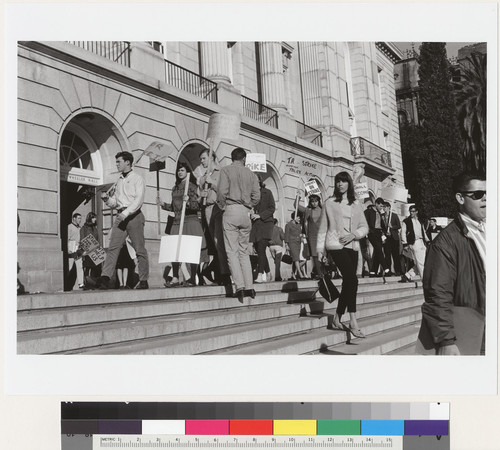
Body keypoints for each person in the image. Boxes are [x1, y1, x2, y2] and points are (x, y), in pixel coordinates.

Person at [417, 171, 486, 355]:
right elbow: (437, 294)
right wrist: (446, 340)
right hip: (474, 334)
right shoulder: (445, 243)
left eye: (488, 193)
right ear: (460, 198)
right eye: (478, 194)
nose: (485, 199)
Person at [317, 171, 369, 338]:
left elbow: (364, 226)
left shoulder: (356, 204)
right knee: (352, 279)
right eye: (338, 181)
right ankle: (353, 320)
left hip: (352, 246)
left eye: (343, 181)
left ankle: (337, 318)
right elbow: (323, 228)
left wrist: (354, 235)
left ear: (349, 184)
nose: (340, 184)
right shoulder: (329, 203)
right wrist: (320, 250)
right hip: (335, 245)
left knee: (349, 282)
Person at [97, 151, 149, 290]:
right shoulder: (119, 180)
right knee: (113, 247)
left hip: (134, 216)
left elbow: (138, 200)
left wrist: (125, 213)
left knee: (139, 249)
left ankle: (143, 280)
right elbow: (117, 202)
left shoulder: (138, 179)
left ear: (127, 162)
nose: (116, 164)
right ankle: (105, 278)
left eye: (119, 161)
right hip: (121, 217)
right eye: (116, 162)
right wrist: (107, 200)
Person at [216, 147, 260, 302]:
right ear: (244, 159)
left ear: (232, 157)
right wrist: (249, 205)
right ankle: (250, 286)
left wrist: (222, 206)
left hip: (231, 209)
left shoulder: (226, 170)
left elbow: (221, 192)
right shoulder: (252, 174)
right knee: (244, 251)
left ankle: (239, 286)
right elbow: (257, 196)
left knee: (232, 251)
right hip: (246, 212)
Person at [158, 162, 207, 286]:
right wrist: (163, 204)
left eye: (182, 170)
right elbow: (175, 207)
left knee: (192, 250)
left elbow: (198, 206)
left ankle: (192, 277)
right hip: (177, 221)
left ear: (187, 172)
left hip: (190, 220)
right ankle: (175, 277)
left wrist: (189, 202)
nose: (180, 172)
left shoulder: (191, 186)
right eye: (179, 170)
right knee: (175, 250)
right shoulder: (175, 188)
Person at [194, 149, 230, 286]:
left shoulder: (221, 172)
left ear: (212, 157)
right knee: (214, 244)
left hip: (218, 208)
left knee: (219, 241)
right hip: (206, 210)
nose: (201, 161)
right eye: (200, 159)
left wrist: (213, 184)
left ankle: (224, 273)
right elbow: (198, 196)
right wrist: (200, 195)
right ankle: (219, 272)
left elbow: (225, 192)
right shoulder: (202, 176)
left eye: (203, 158)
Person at [250, 175, 275, 283]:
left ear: (259, 181)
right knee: (260, 250)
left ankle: (260, 274)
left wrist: (260, 215)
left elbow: (272, 208)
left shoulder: (267, 192)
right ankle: (269, 273)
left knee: (261, 248)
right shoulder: (250, 195)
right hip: (255, 226)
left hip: (265, 224)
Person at [399, 205, 429, 282]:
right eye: (410, 211)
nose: (411, 213)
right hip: (414, 242)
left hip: (422, 242)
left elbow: (423, 232)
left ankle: (407, 275)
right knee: (421, 262)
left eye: (413, 211)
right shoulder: (406, 221)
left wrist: (427, 240)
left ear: (416, 212)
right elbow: (403, 233)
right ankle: (424, 280)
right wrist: (405, 243)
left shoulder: (420, 221)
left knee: (424, 261)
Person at [295, 194, 323, 279]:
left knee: (322, 254)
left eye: (316, 201)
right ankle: (319, 273)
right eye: (312, 201)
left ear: (318, 202)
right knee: (314, 254)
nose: (314, 203)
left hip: (322, 234)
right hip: (312, 235)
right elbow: (296, 206)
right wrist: (298, 197)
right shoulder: (308, 210)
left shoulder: (323, 210)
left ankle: (320, 271)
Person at [364, 197, 390, 280]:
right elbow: (365, 222)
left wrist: (385, 232)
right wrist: (367, 232)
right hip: (372, 232)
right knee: (379, 249)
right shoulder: (368, 212)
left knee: (377, 251)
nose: (381, 208)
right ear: (376, 204)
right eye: (380, 206)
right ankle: (386, 269)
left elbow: (382, 225)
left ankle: (373, 271)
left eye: (382, 206)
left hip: (379, 233)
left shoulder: (380, 213)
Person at [382, 201, 402, 276]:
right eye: (383, 207)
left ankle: (398, 270)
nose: (384, 208)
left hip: (394, 238)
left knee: (395, 255)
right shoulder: (382, 216)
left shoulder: (394, 215)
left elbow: (399, 226)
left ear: (389, 207)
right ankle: (388, 271)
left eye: (385, 207)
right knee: (387, 255)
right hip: (386, 238)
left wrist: (392, 227)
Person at [80, 212, 101, 279]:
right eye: (93, 218)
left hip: (95, 250)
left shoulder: (95, 228)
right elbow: (82, 239)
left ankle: (93, 282)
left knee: (95, 268)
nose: (95, 219)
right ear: (90, 218)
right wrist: (84, 250)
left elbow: (97, 239)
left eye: (95, 218)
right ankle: (87, 283)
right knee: (87, 267)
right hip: (87, 251)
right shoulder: (84, 228)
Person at [285, 212, 306, 280]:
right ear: (294, 217)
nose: (299, 219)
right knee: (296, 258)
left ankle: (293, 274)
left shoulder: (299, 225)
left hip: (299, 243)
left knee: (298, 260)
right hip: (292, 243)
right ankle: (299, 273)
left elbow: (301, 233)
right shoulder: (288, 225)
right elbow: (286, 235)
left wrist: (302, 237)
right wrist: (286, 244)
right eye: (298, 218)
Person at [67, 212, 84, 290]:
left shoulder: (80, 228)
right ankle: (67, 281)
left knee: (80, 266)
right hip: (71, 248)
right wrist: (68, 249)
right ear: (74, 218)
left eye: (80, 218)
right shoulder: (69, 227)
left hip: (78, 248)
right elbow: (67, 238)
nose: (80, 220)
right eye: (78, 218)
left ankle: (81, 283)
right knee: (70, 266)